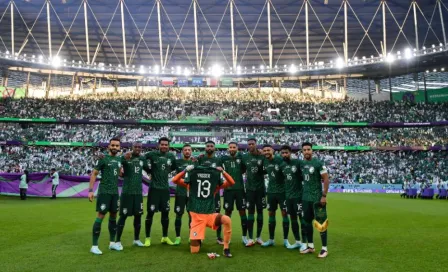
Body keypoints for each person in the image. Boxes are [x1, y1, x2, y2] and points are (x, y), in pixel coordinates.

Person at [171, 165, 235, 257]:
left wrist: (223, 172)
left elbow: (231, 182)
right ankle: (198, 240)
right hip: (197, 218)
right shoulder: (190, 184)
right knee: (194, 251)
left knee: (227, 219)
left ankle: (226, 248)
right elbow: (174, 180)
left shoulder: (214, 186)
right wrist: (184, 170)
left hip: (210, 215)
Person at [88, 138, 122, 255]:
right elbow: (94, 174)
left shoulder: (119, 159)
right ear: (108, 146)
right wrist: (91, 190)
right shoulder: (103, 159)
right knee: (101, 216)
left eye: (117, 146)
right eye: (113, 145)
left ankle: (112, 243)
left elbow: (120, 172)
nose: (115, 147)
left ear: (119, 147)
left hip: (114, 192)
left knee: (113, 216)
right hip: (104, 192)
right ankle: (94, 245)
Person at [114, 143, 151, 250]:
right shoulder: (126, 157)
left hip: (138, 193)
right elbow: (116, 164)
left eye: (140, 147)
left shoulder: (142, 159)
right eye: (136, 147)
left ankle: (136, 239)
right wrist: (120, 168)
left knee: (138, 216)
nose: (138, 149)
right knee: (123, 216)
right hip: (127, 192)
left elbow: (148, 170)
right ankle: (117, 241)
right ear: (132, 148)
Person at [142, 137, 177, 246]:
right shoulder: (152, 154)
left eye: (166, 145)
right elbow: (142, 158)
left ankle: (165, 237)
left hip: (165, 189)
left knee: (165, 214)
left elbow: (174, 166)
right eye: (162, 144)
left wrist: (167, 171)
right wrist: (149, 170)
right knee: (150, 213)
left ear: (168, 146)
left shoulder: (171, 156)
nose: (164, 146)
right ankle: (147, 238)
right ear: (158, 145)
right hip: (154, 189)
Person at [299, 142, 330, 258]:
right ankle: (311, 246)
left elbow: (326, 180)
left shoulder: (318, 163)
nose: (306, 151)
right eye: (304, 150)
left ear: (312, 151)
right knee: (306, 223)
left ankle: (324, 249)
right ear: (302, 152)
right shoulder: (301, 164)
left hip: (317, 198)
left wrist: (324, 195)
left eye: (308, 149)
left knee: (321, 223)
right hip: (305, 198)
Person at [261, 144, 290, 248]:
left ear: (272, 150)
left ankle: (286, 240)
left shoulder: (280, 159)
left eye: (268, 150)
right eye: (264, 151)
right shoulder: (264, 160)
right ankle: (271, 239)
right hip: (271, 192)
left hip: (282, 192)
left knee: (284, 214)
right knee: (271, 214)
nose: (266, 152)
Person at [221, 142, 248, 245]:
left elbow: (244, 169)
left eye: (234, 147)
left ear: (237, 148)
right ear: (228, 148)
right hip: (228, 190)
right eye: (230, 147)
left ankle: (244, 237)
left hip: (240, 189)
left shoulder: (241, 157)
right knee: (227, 213)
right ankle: (227, 237)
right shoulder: (224, 158)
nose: (232, 149)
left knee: (242, 212)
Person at [197, 141, 224, 244]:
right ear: (205, 147)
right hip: (202, 192)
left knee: (217, 215)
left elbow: (220, 174)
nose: (209, 148)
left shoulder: (218, 160)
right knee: (201, 215)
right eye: (208, 146)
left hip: (214, 192)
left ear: (214, 148)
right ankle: (200, 236)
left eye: (211, 146)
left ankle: (218, 237)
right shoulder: (200, 159)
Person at [280, 145, 306, 250]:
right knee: (293, 219)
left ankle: (305, 242)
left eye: (286, 152)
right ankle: (298, 241)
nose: (284, 154)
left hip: (298, 196)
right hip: (288, 196)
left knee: (302, 219)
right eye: (283, 153)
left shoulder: (298, 163)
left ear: (290, 152)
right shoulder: (282, 165)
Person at [241, 138, 265, 247]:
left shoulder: (262, 156)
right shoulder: (244, 157)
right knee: (250, 212)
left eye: (252, 144)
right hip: (249, 189)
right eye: (249, 144)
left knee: (260, 212)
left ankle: (259, 237)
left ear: (256, 144)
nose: (250, 145)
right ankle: (250, 238)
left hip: (260, 189)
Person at [173, 144, 195, 245]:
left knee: (192, 215)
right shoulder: (177, 162)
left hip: (192, 193)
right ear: (182, 151)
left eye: (189, 150)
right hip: (180, 192)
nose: (187, 151)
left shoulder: (195, 162)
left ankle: (192, 236)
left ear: (191, 151)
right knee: (179, 214)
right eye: (185, 150)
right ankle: (178, 237)